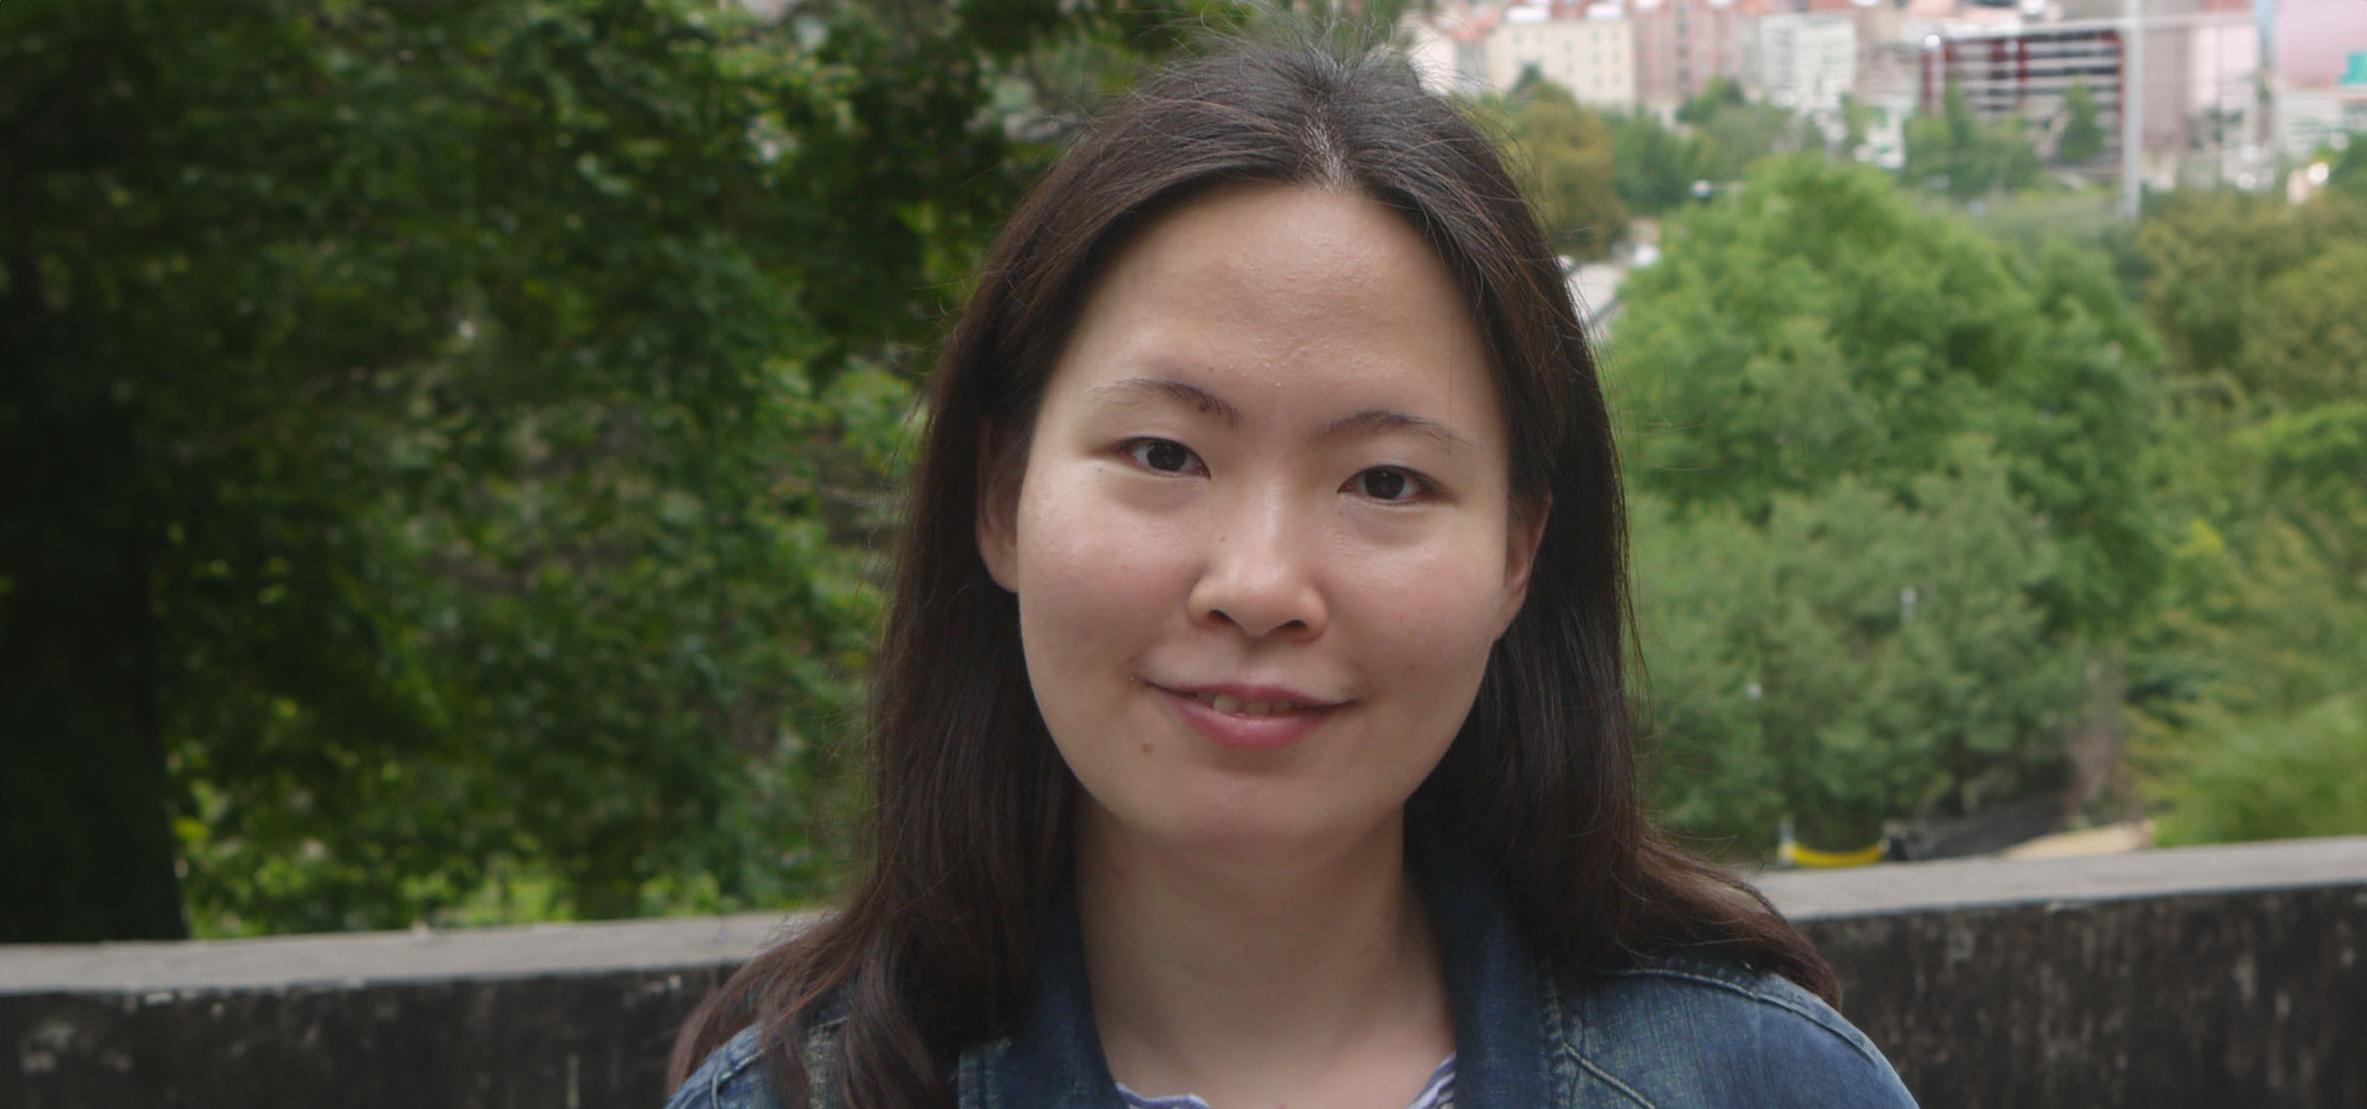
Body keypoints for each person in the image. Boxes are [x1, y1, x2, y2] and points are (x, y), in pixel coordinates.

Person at [664, 31, 1918, 1109]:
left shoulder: (1761, 1079)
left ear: (1520, 550)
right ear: (1000, 497)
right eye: (1165, 451)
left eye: (1385, 480)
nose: (1260, 585)